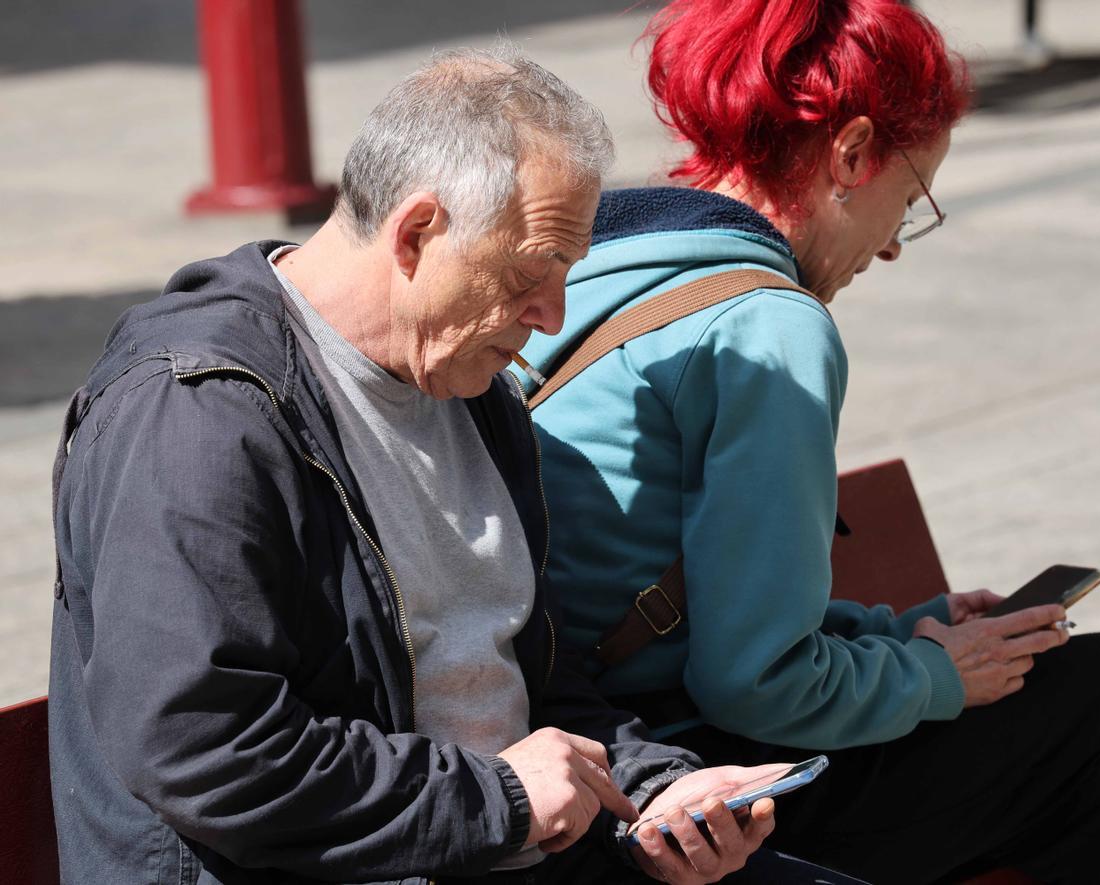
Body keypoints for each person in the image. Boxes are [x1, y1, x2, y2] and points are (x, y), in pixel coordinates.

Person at [45, 47, 813, 885]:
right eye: (531, 272)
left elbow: (531, 680)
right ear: (416, 233)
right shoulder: (195, 413)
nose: (551, 316)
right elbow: (205, 750)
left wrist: (654, 787)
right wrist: (504, 801)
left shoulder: (470, 388)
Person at [514, 1, 1100, 882]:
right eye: (909, 201)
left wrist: (903, 631)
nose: (892, 249)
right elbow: (754, 684)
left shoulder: (610, 252)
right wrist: (933, 674)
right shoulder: (767, 325)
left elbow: (685, 592)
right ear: (850, 154)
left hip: (584, 724)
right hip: (689, 785)